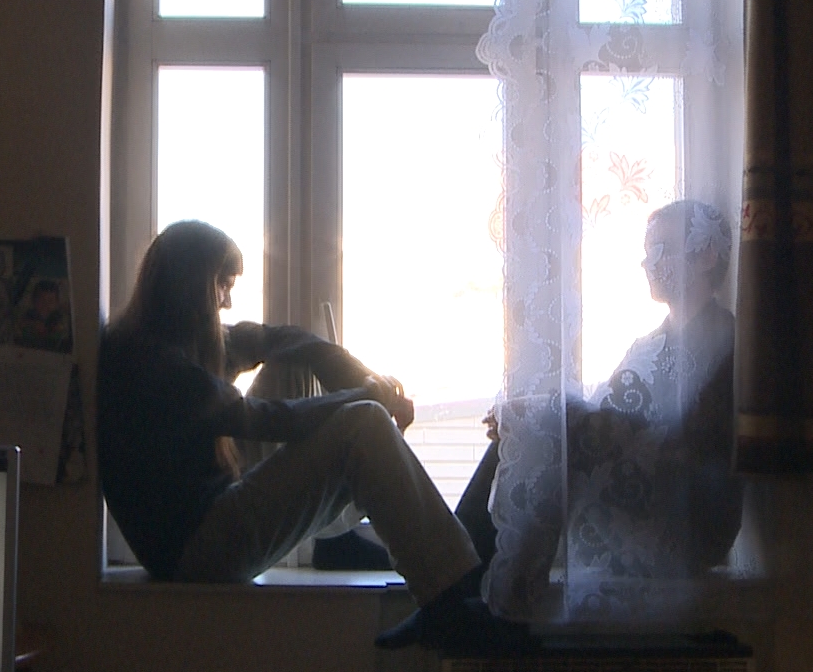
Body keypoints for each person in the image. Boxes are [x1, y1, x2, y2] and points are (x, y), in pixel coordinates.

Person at [98, 220, 520, 649]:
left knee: (292, 360)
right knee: (363, 425)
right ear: (193, 288)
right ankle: (447, 602)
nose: (227, 302)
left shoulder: (164, 337)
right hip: (199, 553)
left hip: (206, 520)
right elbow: (267, 419)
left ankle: (339, 543)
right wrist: (365, 397)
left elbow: (282, 340)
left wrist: (360, 375)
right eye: (222, 286)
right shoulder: (157, 367)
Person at [460, 199, 742, 607]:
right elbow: (608, 411)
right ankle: (463, 570)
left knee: (541, 424)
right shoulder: (648, 346)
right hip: (642, 497)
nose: (647, 263)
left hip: (682, 517)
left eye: (659, 249)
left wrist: (549, 421)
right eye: (647, 251)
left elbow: (684, 439)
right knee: (528, 430)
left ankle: (461, 573)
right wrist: (528, 421)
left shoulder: (723, 344)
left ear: (706, 255)